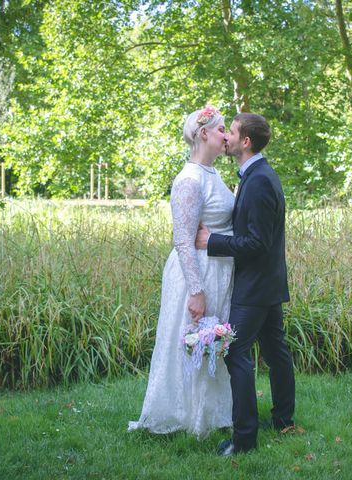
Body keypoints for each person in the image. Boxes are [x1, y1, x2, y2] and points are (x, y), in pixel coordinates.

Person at [128, 105, 235, 438]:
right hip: (197, 272)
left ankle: (212, 413)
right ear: (203, 134)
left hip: (218, 268)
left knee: (212, 341)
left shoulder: (213, 174)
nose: (226, 136)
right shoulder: (188, 180)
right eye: (221, 130)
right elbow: (183, 241)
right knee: (194, 338)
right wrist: (196, 290)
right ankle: (185, 415)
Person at [195, 113, 296, 456]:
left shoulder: (258, 181)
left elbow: (256, 243)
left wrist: (213, 241)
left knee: (235, 351)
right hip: (266, 283)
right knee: (275, 351)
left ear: (246, 142)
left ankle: (244, 439)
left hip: (255, 286)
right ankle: (283, 420)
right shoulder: (256, 176)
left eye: (232, 132)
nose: (227, 138)